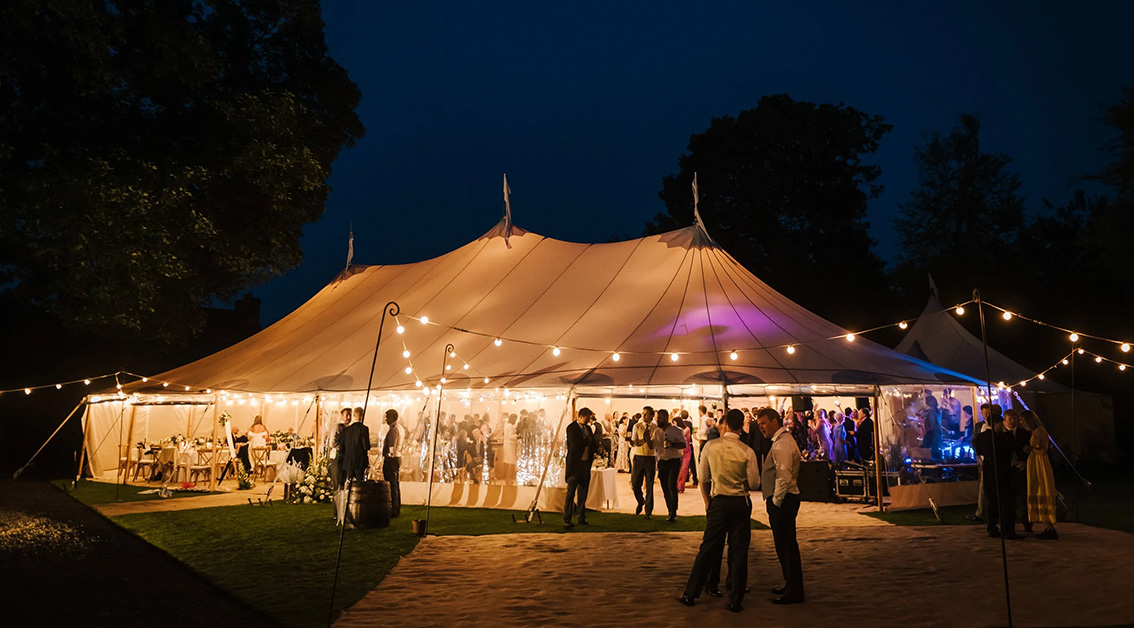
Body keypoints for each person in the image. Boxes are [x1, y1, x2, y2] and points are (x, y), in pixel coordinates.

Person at [679, 409, 759, 612]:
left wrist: (707, 501)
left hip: (718, 500)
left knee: (708, 547)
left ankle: (691, 592)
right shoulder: (746, 450)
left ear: (725, 425)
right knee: (739, 549)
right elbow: (754, 482)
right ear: (741, 426)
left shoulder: (710, 447)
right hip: (740, 501)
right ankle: (736, 599)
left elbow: (703, 478)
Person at [757, 408, 804, 604]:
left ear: (776, 421)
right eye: (759, 425)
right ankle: (791, 584)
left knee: (786, 545)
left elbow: (783, 476)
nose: (761, 428)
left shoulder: (782, 444)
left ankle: (794, 590)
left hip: (784, 500)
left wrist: (775, 502)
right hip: (784, 499)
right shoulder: (780, 441)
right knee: (784, 545)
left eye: (764, 423)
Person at [973, 408, 1018, 539]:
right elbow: (1010, 449)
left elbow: (979, 450)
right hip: (1001, 471)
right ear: (997, 424)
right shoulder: (1000, 438)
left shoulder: (981, 437)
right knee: (1005, 502)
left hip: (988, 470)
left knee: (991, 501)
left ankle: (991, 527)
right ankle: (1008, 530)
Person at [1021, 410, 1059, 540]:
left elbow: (1043, 449)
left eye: (1022, 420)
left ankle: (1049, 525)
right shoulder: (1034, 431)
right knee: (1035, 488)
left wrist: (1031, 448)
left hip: (1039, 462)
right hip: (1034, 462)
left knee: (1042, 488)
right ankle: (1046, 525)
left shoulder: (1039, 430)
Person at [564, 407, 597, 528]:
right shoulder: (572, 428)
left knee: (583, 493)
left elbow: (592, 442)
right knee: (571, 493)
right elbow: (574, 444)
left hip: (585, 464)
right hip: (575, 465)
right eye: (587, 418)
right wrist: (586, 441)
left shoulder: (588, 428)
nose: (588, 421)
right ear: (581, 416)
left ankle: (581, 517)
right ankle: (567, 518)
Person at [1004, 409, 1032, 533]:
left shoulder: (1024, 433)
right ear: (1005, 420)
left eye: (1015, 419)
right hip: (1008, 470)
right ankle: (1011, 525)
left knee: (1024, 497)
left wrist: (1024, 461)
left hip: (1021, 469)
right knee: (1009, 499)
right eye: (1010, 419)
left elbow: (1029, 449)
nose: (1013, 421)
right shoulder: (1002, 434)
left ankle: (1027, 523)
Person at [656, 409, 687, 522]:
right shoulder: (657, 431)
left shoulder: (677, 430)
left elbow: (684, 444)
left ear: (666, 417)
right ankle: (670, 509)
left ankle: (673, 511)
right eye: (657, 417)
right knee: (664, 487)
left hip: (674, 460)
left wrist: (673, 444)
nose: (658, 420)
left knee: (671, 485)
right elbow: (653, 445)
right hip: (662, 461)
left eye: (660, 417)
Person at [631, 406, 660, 518]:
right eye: (642, 413)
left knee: (649, 485)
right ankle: (640, 501)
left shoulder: (655, 428)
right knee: (635, 483)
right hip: (638, 457)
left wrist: (650, 441)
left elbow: (656, 444)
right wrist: (642, 440)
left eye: (646, 414)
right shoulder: (637, 426)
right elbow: (634, 442)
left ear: (652, 416)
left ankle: (648, 511)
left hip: (650, 457)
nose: (643, 416)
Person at [339, 407, 371, 487]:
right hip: (360, 461)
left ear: (353, 415)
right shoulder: (364, 429)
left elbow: (341, 447)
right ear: (363, 415)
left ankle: (348, 498)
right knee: (359, 484)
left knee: (349, 483)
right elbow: (366, 447)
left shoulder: (347, 430)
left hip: (348, 461)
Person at [382, 409, 403, 518]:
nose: (385, 419)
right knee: (395, 484)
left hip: (392, 459)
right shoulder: (399, 427)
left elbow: (392, 445)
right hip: (397, 458)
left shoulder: (394, 430)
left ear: (391, 417)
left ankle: (394, 508)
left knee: (392, 484)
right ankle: (396, 506)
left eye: (387, 417)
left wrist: (388, 456)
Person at [677, 412, 694, 492]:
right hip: (678, 451)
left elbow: (681, 435)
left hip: (687, 451)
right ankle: (677, 485)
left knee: (684, 468)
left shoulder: (687, 429)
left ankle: (681, 486)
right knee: (678, 469)